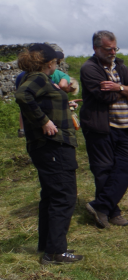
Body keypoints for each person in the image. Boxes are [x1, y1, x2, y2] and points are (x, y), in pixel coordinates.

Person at [14, 44, 84, 265]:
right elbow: (23, 96)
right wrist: (44, 121)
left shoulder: (37, 79)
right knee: (64, 195)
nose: (57, 65)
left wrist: (63, 106)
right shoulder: (39, 78)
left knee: (51, 195)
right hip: (53, 145)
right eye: (56, 62)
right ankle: (55, 252)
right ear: (49, 62)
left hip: (48, 145)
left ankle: (48, 245)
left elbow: (37, 100)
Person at [79, 30, 128, 229]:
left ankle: (101, 206)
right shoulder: (89, 68)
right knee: (103, 170)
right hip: (99, 127)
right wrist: (124, 89)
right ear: (96, 48)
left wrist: (118, 88)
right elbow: (103, 97)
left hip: (123, 127)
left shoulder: (120, 65)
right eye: (108, 49)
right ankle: (112, 212)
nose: (113, 52)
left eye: (115, 48)